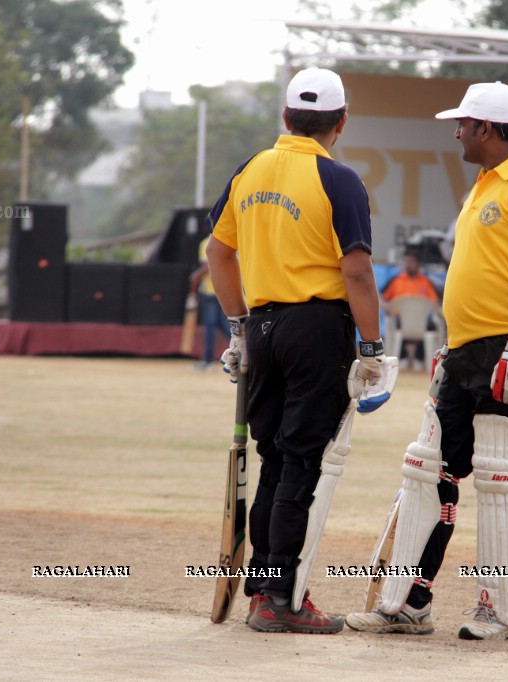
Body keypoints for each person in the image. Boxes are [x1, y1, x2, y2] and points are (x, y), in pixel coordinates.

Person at [346, 81, 508, 641]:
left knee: (503, 479)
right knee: (429, 469)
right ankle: (410, 602)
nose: (457, 130)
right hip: (468, 349)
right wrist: (456, 344)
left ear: (488, 129)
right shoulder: (484, 184)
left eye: (464, 123)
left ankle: (499, 610)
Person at [205, 66, 397, 635]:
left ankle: (266, 592)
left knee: (274, 458)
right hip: (317, 330)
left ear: (285, 118)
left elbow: (218, 253)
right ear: (341, 123)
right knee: (302, 462)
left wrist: (238, 328)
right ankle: (282, 598)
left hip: (262, 329)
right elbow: (357, 271)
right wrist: (373, 348)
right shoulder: (339, 180)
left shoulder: (250, 169)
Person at [381, 248, 443, 370]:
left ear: (418, 264)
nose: (408, 265)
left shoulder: (426, 282)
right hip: (399, 320)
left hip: (421, 321)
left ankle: (420, 357)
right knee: (399, 322)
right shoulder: (396, 280)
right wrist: (386, 307)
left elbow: (434, 303)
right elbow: (381, 297)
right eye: (406, 262)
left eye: (411, 262)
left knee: (429, 325)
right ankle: (401, 356)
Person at [189, 235, 232, 370]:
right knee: (223, 324)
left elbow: (208, 265)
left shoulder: (206, 242)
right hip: (226, 288)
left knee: (210, 326)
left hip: (210, 290)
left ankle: (208, 361)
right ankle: (244, 349)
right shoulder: (230, 239)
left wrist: (196, 275)